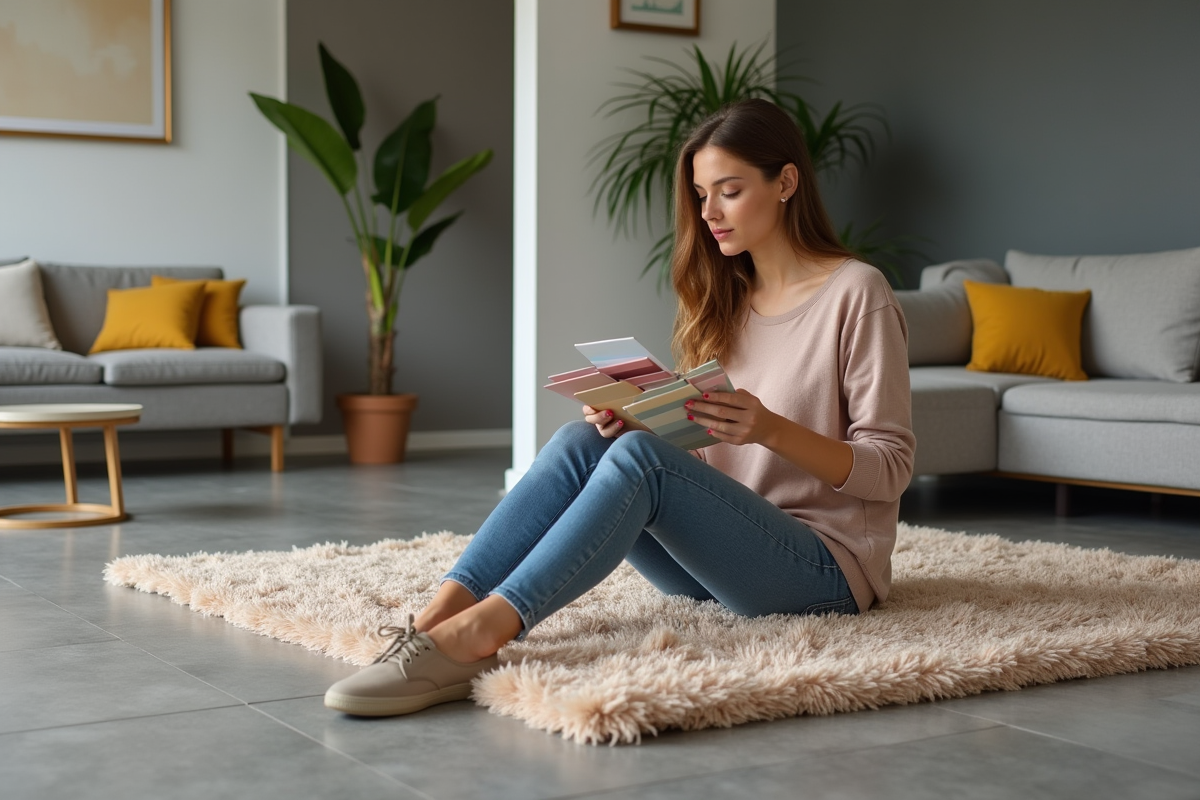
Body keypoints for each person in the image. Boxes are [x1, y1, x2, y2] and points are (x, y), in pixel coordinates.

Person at [324, 98, 915, 718]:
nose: (709, 212)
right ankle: (435, 619)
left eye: (730, 191)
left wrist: (768, 428)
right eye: (700, 194)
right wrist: (648, 420)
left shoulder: (858, 293)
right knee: (589, 443)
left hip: (822, 575)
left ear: (786, 182)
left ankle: (481, 635)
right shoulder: (728, 297)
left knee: (641, 462)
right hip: (724, 567)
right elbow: (713, 457)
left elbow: (890, 467)